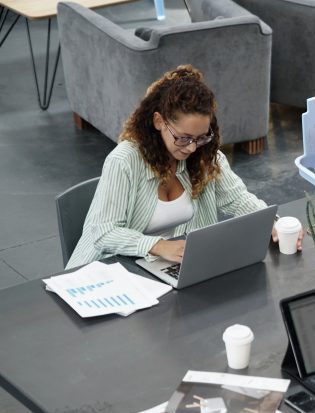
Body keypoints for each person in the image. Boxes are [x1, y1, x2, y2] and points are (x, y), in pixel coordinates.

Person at [67, 65, 299, 269]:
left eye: (200, 137)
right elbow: (103, 232)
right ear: (159, 122)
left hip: (162, 267)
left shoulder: (205, 157)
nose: (191, 148)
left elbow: (239, 200)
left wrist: (275, 223)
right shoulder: (124, 161)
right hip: (107, 270)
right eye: (183, 138)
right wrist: (158, 246)